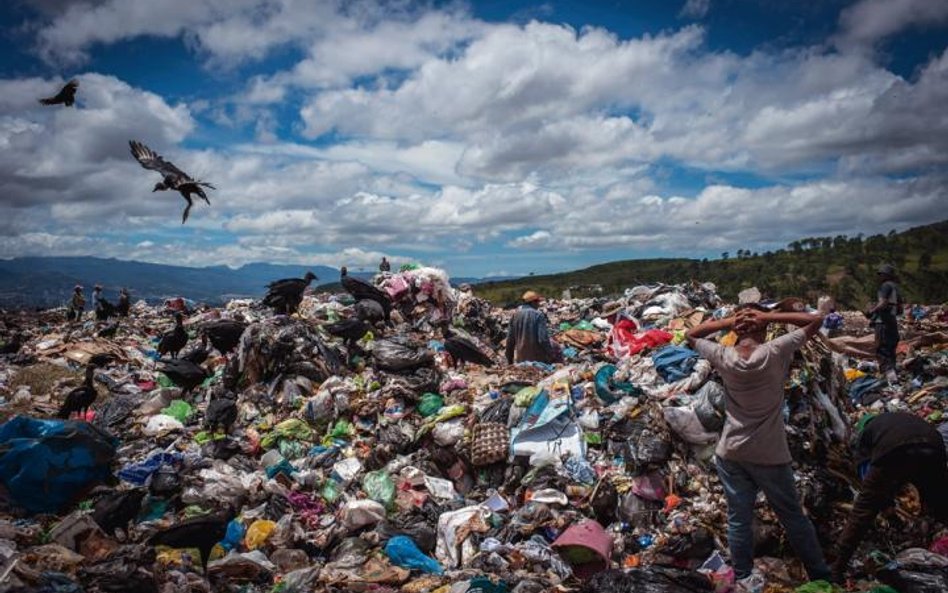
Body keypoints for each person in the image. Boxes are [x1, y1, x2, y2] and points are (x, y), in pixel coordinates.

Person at [686, 304, 831, 588]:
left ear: (736, 333)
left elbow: (691, 334)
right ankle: (820, 573)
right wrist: (767, 317)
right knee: (792, 517)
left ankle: (742, 576)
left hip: (731, 452)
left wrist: (730, 321)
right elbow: (815, 321)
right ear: (765, 330)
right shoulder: (775, 350)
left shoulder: (723, 355)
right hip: (770, 454)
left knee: (739, 519)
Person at [832, 412, 948, 579]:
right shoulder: (896, 418)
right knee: (941, 502)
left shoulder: (865, 437)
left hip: (894, 448)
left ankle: (837, 568)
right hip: (933, 444)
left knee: (863, 511)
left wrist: (885, 506)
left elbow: (869, 482)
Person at [865, 264, 902, 384]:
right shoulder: (895, 287)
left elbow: (883, 302)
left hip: (883, 321)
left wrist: (871, 311)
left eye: (881, 274)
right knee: (891, 348)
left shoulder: (885, 286)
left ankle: (889, 377)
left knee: (882, 348)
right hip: (892, 320)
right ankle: (893, 372)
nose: (879, 277)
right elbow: (900, 308)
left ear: (886, 275)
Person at [505, 290, 560, 365]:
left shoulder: (515, 316)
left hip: (521, 360)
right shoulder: (538, 315)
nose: (538, 304)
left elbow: (510, 341)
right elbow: (543, 339)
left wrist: (510, 360)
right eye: (537, 302)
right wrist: (551, 355)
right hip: (538, 360)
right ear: (533, 302)